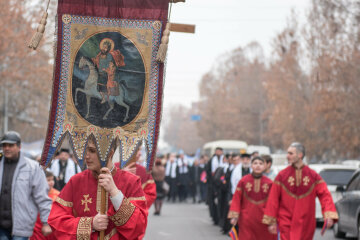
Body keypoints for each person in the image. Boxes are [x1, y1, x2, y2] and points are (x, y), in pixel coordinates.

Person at [48, 139, 147, 239]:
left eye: (92, 151)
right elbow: (56, 221)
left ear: (110, 153)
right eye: (85, 150)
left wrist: (114, 192)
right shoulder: (76, 181)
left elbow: (139, 227)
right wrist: (90, 224)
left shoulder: (131, 181)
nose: (86, 156)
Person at [262, 142, 338, 240]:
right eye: (287, 153)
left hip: (306, 223)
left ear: (300, 155)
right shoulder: (282, 175)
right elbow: (273, 199)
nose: (287, 156)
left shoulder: (313, 176)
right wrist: (271, 221)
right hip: (286, 221)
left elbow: (325, 195)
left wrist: (329, 214)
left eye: (290, 153)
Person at [0, 131, 52, 240]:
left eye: (10, 145)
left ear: (19, 146)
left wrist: (46, 222)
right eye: (4, 145)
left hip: (22, 226)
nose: (7, 148)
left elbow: (42, 197)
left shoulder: (33, 168)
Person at [228, 156, 276, 240]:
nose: (258, 166)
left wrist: (272, 221)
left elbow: (273, 203)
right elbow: (237, 199)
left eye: (261, 164)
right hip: (246, 219)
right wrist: (234, 216)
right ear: (251, 166)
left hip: (264, 220)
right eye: (255, 163)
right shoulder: (243, 181)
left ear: (264, 166)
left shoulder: (269, 183)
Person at [92, 39, 125, 104]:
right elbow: (97, 61)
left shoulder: (109, 55)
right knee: (99, 88)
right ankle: (104, 98)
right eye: (103, 47)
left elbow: (110, 64)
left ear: (108, 49)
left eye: (105, 48)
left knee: (105, 88)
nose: (104, 49)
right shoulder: (99, 54)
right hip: (100, 73)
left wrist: (106, 70)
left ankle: (107, 98)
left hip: (106, 74)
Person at [30, 171, 60, 240]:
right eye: (48, 180)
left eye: (52, 179)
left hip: (52, 229)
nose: (51, 182)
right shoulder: (35, 194)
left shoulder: (58, 195)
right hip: (37, 229)